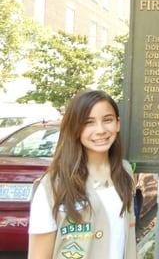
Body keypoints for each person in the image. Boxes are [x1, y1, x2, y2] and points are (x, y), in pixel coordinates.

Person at [28, 90, 137, 259]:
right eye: (88, 122)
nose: (100, 130)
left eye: (107, 120)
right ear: (75, 128)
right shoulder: (53, 186)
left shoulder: (125, 172)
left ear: (118, 123)